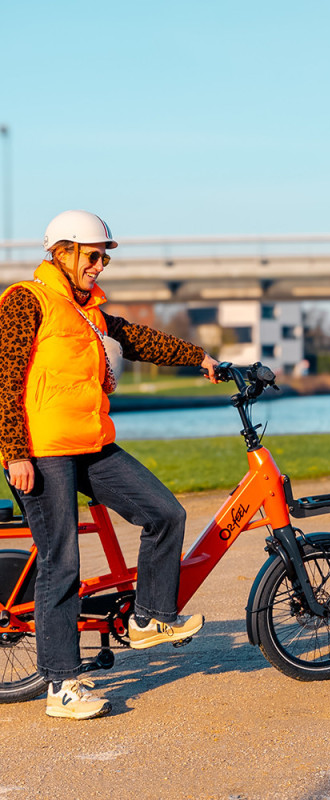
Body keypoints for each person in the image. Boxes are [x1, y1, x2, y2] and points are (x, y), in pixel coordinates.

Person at [0, 210, 220, 720]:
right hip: (41, 450)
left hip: (90, 444)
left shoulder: (90, 314)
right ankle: (62, 687)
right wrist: (14, 452)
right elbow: (6, 380)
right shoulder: (25, 301)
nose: (101, 265)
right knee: (63, 561)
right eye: (94, 255)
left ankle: (149, 618)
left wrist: (200, 358)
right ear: (64, 252)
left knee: (165, 513)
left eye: (105, 257)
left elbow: (141, 339)